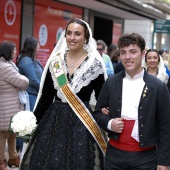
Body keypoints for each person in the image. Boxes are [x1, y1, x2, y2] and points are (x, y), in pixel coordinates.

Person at [19, 18, 108, 170]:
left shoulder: (95, 64)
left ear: (86, 37)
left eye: (77, 34)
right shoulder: (56, 62)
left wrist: (107, 119)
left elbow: (102, 99)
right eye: (69, 33)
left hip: (83, 123)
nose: (72, 38)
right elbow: (46, 98)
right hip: (55, 121)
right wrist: (31, 123)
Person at [94, 33, 170, 170]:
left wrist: (164, 162)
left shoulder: (158, 87)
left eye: (133, 52)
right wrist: (110, 123)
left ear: (143, 54)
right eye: (123, 53)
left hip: (146, 158)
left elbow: (166, 126)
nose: (127, 57)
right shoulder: (111, 83)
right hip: (114, 157)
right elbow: (98, 113)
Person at [0, 41, 29, 170]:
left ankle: (13, 158)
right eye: (14, 49)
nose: (16, 51)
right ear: (8, 51)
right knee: (4, 134)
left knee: (11, 133)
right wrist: (21, 81)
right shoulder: (4, 67)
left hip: (10, 104)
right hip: (6, 105)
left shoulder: (8, 64)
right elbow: (24, 82)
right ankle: (1, 161)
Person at [17, 37, 43, 112]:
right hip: (30, 95)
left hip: (36, 94)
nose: (39, 47)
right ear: (32, 47)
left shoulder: (34, 60)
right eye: (38, 45)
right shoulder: (26, 60)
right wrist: (43, 89)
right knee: (32, 118)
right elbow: (32, 80)